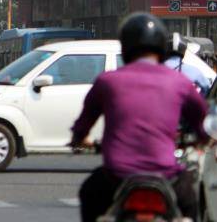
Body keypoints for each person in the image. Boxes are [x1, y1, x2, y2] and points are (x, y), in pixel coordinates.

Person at [71, 13, 207, 222]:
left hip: (116, 175)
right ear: (161, 47)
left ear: (125, 47)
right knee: (190, 201)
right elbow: (203, 120)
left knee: (88, 192)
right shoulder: (179, 81)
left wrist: (78, 139)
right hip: (166, 173)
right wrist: (204, 139)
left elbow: (83, 124)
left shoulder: (107, 81)